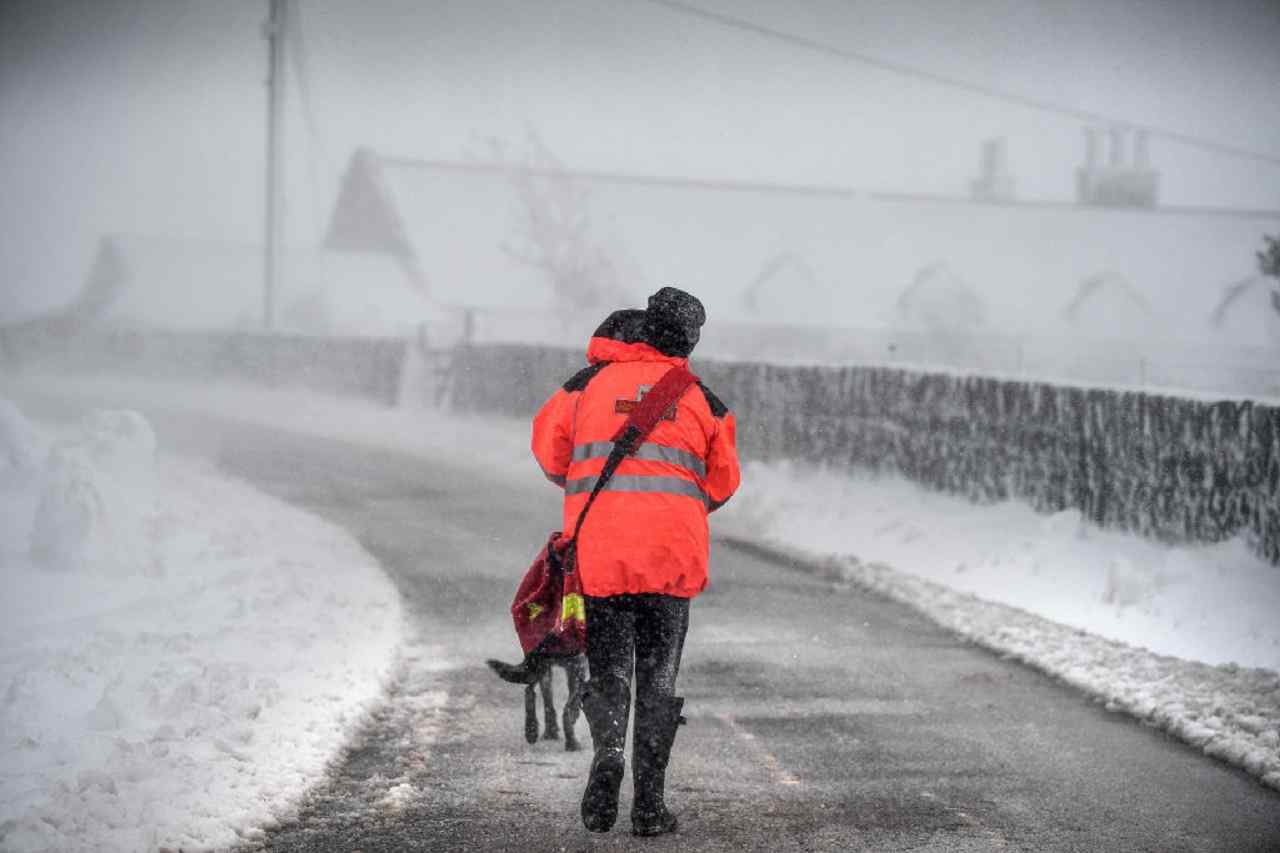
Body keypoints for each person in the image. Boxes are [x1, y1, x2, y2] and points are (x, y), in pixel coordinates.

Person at [531, 287, 741, 837]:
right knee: (658, 677)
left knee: (610, 670)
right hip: (671, 559)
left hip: (603, 554)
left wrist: (594, 483)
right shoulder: (704, 400)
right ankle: (649, 805)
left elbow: (550, 453)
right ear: (688, 339)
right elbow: (724, 482)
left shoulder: (584, 386)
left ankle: (609, 753)